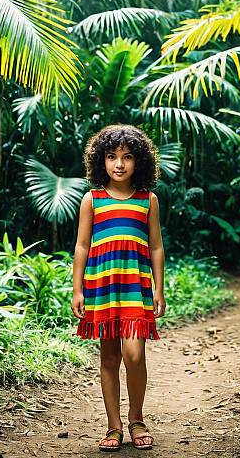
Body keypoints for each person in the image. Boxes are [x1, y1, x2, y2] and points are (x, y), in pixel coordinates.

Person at [71, 124, 166, 452]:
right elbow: (82, 246)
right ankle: (114, 427)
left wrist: (159, 289)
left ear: (139, 161)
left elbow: (156, 247)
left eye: (127, 157)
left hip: (135, 288)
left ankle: (136, 417)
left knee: (133, 353)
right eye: (112, 157)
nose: (119, 164)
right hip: (102, 287)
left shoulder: (147, 200)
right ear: (101, 162)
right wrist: (77, 289)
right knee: (109, 358)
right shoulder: (92, 199)